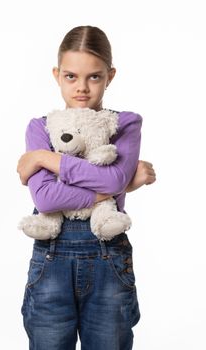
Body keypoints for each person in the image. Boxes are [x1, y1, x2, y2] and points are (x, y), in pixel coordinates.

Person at [17, 26, 156, 350]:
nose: (81, 87)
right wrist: (115, 189)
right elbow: (45, 198)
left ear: (110, 75)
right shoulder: (40, 127)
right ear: (57, 74)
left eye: (94, 77)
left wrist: (43, 157)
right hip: (51, 256)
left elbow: (114, 180)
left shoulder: (125, 123)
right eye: (71, 77)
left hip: (109, 255)